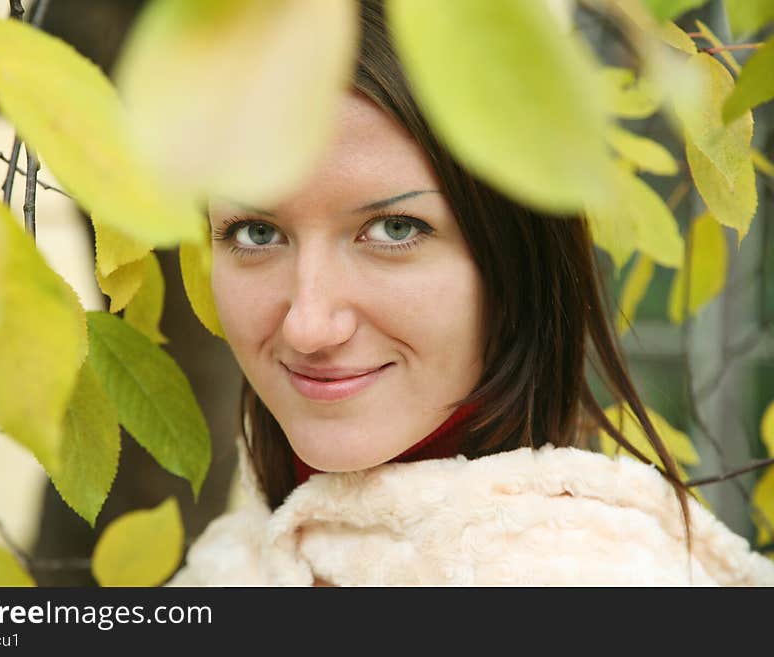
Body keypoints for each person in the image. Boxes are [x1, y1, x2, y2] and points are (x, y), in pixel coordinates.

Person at [169, 0, 774, 586]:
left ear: (515, 259)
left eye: (394, 230)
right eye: (257, 233)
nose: (308, 325)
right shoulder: (234, 561)